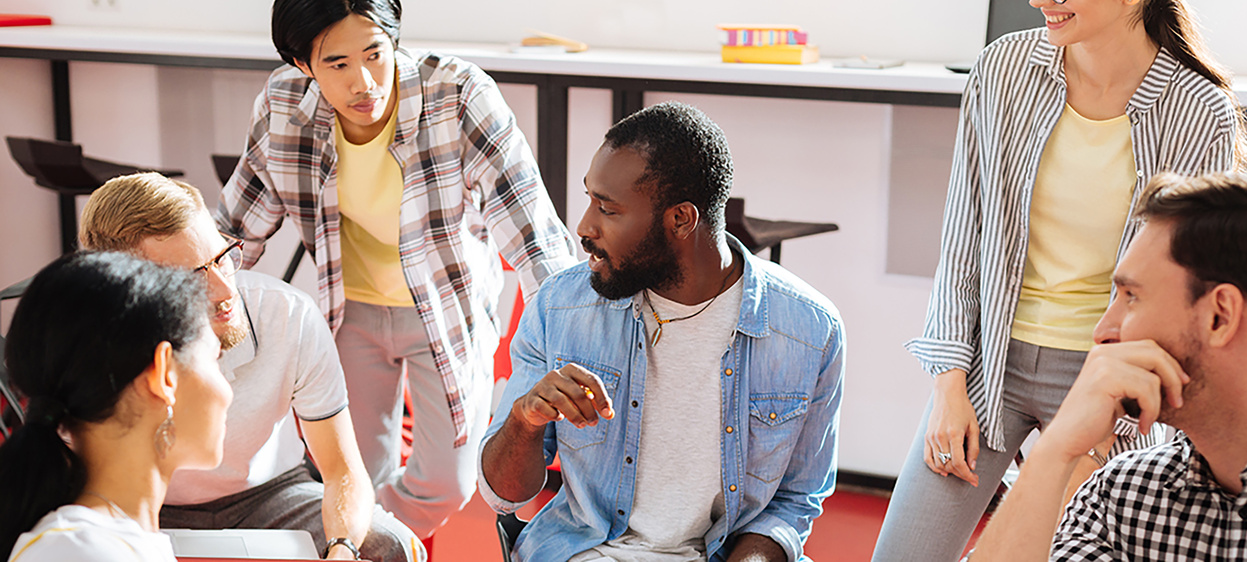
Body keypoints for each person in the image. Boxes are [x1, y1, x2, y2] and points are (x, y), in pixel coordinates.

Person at [873, 1, 1247, 559]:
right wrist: (948, 386)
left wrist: (1120, 417)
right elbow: (963, 231)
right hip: (988, 366)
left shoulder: (1199, 110)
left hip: (1103, 377)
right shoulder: (1003, 68)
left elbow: (1186, 290)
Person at [217, 0, 577, 536]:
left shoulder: (457, 94)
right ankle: (365, 541)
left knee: (448, 483)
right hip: (351, 311)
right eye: (337, 64)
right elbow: (236, 230)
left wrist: (577, 333)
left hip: (445, 309)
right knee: (352, 467)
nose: (363, 82)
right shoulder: (283, 105)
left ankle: (367, 540)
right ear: (302, 66)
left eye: (375, 54)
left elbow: (534, 235)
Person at [477, 101, 845, 561]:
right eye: (590, 199)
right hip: (586, 552)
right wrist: (524, 421)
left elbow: (794, 501)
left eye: (607, 210)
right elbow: (504, 495)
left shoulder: (809, 331)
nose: (584, 227)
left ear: (680, 220)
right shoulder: (559, 306)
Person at [969, 171, 1247, 561]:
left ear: (1219, 316)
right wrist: (1054, 453)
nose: (1102, 332)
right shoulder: (1126, 495)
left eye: (1131, 297)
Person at [80, 173, 422, 562]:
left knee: (388, 545)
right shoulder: (88, 342)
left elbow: (344, 473)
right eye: (192, 279)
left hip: (272, 494)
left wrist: (342, 549)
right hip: (140, 503)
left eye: (221, 258)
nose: (226, 291)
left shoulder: (287, 314)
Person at [1, 252, 232, 561]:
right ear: (164, 374)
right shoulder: (79, 550)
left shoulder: (100, 541)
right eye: (214, 359)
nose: (228, 392)